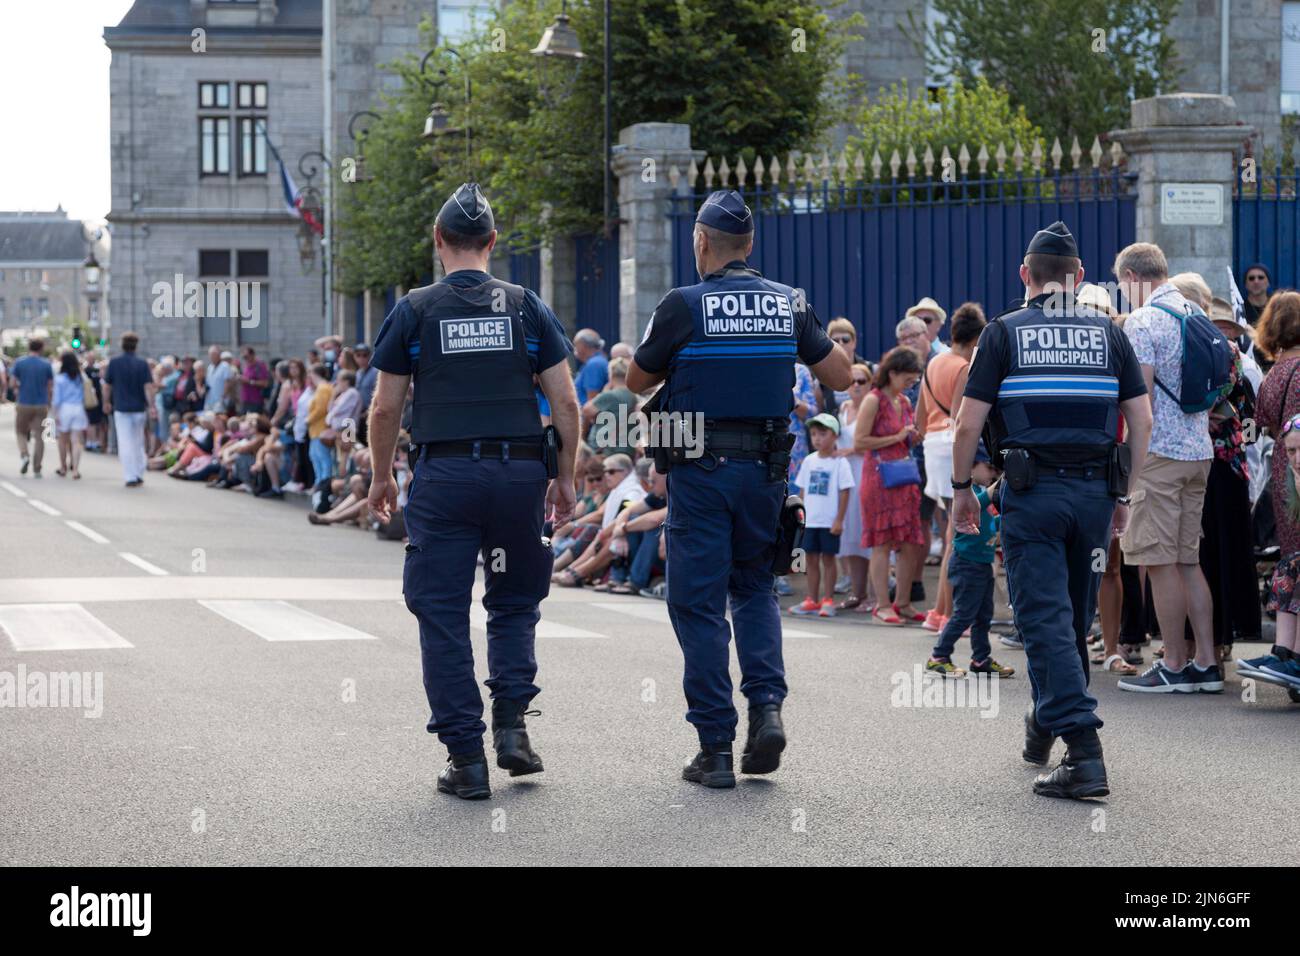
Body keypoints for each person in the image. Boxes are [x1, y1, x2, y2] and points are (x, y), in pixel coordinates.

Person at [627, 188, 850, 789]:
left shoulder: (683, 303)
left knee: (697, 603)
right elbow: (838, 375)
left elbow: (636, 376)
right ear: (751, 245)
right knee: (753, 588)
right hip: (768, 475)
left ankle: (715, 746)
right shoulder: (788, 303)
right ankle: (768, 710)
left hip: (701, 474)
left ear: (701, 242)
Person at [366, 182, 579, 801]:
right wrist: (564, 477)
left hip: (446, 479)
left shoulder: (414, 310)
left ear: (439, 243)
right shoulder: (525, 306)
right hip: (519, 478)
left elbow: (385, 409)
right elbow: (565, 401)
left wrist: (382, 476)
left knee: (443, 613)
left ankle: (467, 759)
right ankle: (512, 729)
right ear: (492, 243)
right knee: (513, 604)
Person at [952, 221, 1152, 800]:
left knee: (1042, 619)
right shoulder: (1111, 335)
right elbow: (1140, 422)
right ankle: (1045, 723)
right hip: (1093, 496)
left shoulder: (1003, 333)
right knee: (1068, 618)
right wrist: (1124, 495)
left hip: (1031, 496)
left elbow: (967, 423)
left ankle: (1084, 752)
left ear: (1025, 276)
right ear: (1081, 277)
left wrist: (962, 487)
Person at [1112, 248, 1220, 695]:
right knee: (1188, 561)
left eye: (1121, 285)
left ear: (1134, 276)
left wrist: (1129, 466)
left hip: (1159, 455)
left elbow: (1143, 405)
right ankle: (1206, 663)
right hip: (1199, 450)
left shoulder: (1143, 321)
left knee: (1156, 561)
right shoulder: (1195, 310)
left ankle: (1173, 663)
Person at [916, 302, 985, 632]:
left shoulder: (933, 363)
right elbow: (961, 421)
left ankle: (939, 611)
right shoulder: (963, 366)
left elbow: (919, 419)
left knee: (949, 532)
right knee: (956, 534)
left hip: (931, 446)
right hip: (950, 446)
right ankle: (947, 614)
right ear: (974, 341)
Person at [926, 442, 1015, 679]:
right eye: (989, 468)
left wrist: (1007, 519)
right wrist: (1003, 482)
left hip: (982, 563)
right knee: (963, 615)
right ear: (972, 467)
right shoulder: (968, 495)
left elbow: (989, 527)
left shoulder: (980, 493)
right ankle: (939, 656)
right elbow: (984, 502)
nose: (992, 473)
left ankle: (980, 658)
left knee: (982, 616)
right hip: (967, 564)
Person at [854, 347, 926, 625]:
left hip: (903, 478)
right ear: (892, 373)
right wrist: (897, 436)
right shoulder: (874, 400)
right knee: (882, 543)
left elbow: (902, 438)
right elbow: (860, 442)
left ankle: (903, 602)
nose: (911, 385)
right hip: (878, 478)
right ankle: (882, 604)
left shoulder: (903, 402)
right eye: (908, 379)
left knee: (909, 543)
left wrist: (910, 438)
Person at [1237, 412, 1300, 689]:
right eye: (1291, 451)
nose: (1297, 458)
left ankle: (1297, 660)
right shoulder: (1292, 478)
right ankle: (1283, 654)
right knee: (1289, 565)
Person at [789, 413, 855, 618]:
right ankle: (811, 599)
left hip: (829, 521)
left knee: (828, 560)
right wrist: (800, 518)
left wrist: (839, 519)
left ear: (835, 436)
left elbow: (845, 491)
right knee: (810, 561)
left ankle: (828, 599)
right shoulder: (809, 461)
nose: (817, 438)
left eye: (823, 434)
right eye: (814, 434)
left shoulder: (840, 463)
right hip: (811, 521)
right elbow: (802, 491)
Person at [834, 363, 874, 611]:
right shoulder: (843, 407)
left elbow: (873, 442)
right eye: (853, 381)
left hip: (866, 472)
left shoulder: (872, 407)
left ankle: (874, 594)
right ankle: (856, 592)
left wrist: (850, 450)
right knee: (850, 535)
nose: (857, 385)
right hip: (845, 475)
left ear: (870, 383)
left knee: (868, 534)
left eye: (861, 381)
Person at [103, 332, 157, 487]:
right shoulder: (142, 364)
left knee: (125, 442)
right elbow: (148, 387)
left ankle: (130, 475)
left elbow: (107, 386)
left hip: (121, 408)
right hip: (139, 408)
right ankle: (139, 471)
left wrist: (106, 402)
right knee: (138, 441)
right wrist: (152, 405)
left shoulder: (114, 363)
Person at [11, 338, 53, 477]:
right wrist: (49, 402)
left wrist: (18, 389)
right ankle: (37, 468)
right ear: (41, 348)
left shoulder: (20, 362)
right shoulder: (46, 364)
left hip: (24, 402)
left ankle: (24, 455)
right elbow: (50, 386)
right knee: (40, 437)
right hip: (41, 404)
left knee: (20, 432)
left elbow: (12, 383)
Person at [52, 351, 89, 479]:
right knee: (77, 441)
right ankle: (75, 469)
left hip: (64, 409)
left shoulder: (60, 378)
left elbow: (56, 399)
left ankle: (63, 467)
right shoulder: (81, 377)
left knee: (62, 440)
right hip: (78, 408)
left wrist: (55, 414)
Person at [572, 329, 608, 404]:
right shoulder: (597, 361)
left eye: (575, 344)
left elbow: (592, 401)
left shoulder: (594, 364)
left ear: (583, 345)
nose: (574, 348)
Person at [1242, 262, 1273, 328]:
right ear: (1246, 284)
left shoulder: (1275, 307)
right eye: (1251, 278)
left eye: (1261, 277)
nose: (1256, 281)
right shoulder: (1240, 309)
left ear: (1268, 283)